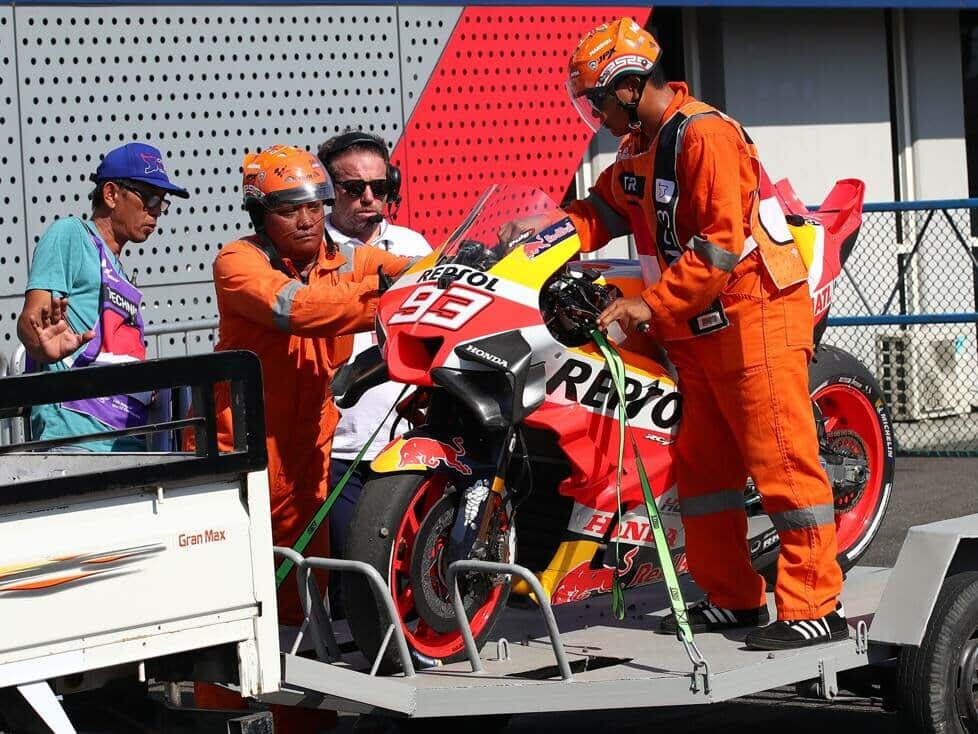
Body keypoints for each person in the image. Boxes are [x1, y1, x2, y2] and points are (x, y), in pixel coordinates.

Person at [561, 18, 845, 650]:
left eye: (598, 100)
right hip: (698, 328)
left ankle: (815, 606)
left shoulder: (705, 134)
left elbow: (718, 247)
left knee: (782, 461)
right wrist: (544, 233)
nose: (596, 115)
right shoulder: (638, 148)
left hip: (756, 314)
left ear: (629, 86)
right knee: (704, 475)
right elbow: (600, 210)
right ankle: (734, 597)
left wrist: (647, 306)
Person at [194, 144, 410, 729]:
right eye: (290, 209)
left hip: (309, 458)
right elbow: (302, 310)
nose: (308, 219)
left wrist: (451, 268)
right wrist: (385, 299)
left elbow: (409, 268)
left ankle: (304, 720)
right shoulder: (237, 262)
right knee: (236, 598)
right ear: (260, 213)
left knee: (305, 599)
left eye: (316, 205)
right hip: (243, 459)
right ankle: (223, 717)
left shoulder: (345, 257)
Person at [16, 142, 189, 451]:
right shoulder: (70, 234)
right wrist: (40, 344)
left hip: (125, 442)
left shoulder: (118, 269)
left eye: (162, 202)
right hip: (77, 443)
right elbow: (32, 323)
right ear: (110, 194)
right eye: (149, 197)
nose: (156, 211)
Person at [316, 130, 430, 569]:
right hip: (337, 451)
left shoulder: (414, 247)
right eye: (353, 188)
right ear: (330, 191)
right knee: (351, 574)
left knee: (408, 571)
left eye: (378, 187)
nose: (368, 198)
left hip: (406, 446)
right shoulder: (311, 251)